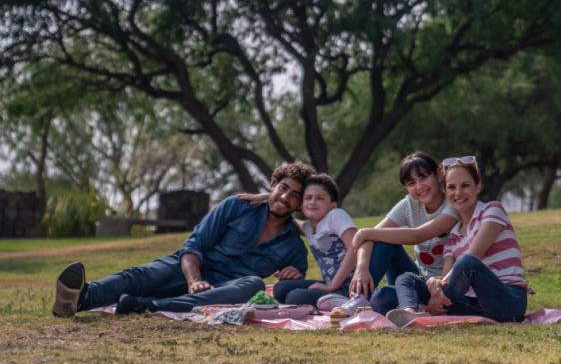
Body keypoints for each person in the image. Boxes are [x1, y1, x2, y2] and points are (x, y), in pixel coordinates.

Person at [52, 163, 316, 317]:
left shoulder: (293, 245)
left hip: (223, 290)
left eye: (295, 195)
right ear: (272, 186)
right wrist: (194, 280)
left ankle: (150, 307)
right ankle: (81, 297)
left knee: (255, 283)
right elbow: (194, 245)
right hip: (190, 269)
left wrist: (293, 275)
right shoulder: (237, 205)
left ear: (300, 204)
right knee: (139, 276)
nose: (285, 198)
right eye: (283, 188)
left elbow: (291, 288)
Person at [387, 157, 528, 327]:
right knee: (406, 278)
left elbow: (473, 256)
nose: (458, 193)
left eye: (465, 185)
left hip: (508, 302)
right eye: (452, 187)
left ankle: (432, 309)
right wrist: (436, 283)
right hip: (471, 305)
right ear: (445, 192)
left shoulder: (492, 210)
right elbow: (448, 280)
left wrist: (436, 296)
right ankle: (410, 316)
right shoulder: (452, 239)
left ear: (478, 186)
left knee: (467, 262)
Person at [344, 152, 460, 315]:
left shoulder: (454, 203)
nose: (419, 186)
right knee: (380, 293)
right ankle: (359, 299)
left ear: (438, 174)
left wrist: (364, 232)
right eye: (411, 182)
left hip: (444, 285)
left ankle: (412, 306)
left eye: (424, 177)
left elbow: (417, 236)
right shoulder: (409, 204)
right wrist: (361, 268)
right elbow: (370, 239)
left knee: (381, 299)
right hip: (416, 281)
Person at [241, 174, 357, 307]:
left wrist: (332, 286)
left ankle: (349, 302)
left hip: (351, 287)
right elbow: (288, 213)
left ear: (332, 206)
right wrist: (270, 196)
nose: (312, 202)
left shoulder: (335, 216)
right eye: (308, 198)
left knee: (295, 297)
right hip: (332, 286)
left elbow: (355, 247)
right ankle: (335, 299)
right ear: (301, 205)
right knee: (280, 289)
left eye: (320, 198)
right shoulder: (308, 227)